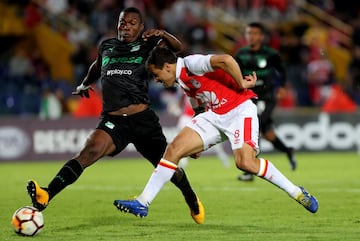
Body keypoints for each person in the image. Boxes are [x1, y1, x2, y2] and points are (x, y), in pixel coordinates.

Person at [26, 7, 204, 225]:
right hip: (113, 120)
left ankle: (190, 197)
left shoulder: (148, 46)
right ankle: (47, 194)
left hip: (142, 121)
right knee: (88, 151)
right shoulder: (107, 46)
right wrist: (84, 83)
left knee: (167, 165)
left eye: (131, 23)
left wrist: (162, 34)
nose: (125, 26)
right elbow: (98, 66)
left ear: (140, 27)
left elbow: (178, 48)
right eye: (122, 22)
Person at [113, 46, 318, 220]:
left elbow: (226, 60)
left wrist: (240, 83)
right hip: (213, 115)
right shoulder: (181, 79)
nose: (157, 80)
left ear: (167, 66)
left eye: (156, 75)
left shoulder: (192, 64)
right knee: (173, 149)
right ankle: (143, 202)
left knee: (245, 163)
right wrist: (198, 139)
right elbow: (199, 104)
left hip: (239, 110)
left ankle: (296, 192)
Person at [233, 22, 297, 181]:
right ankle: (288, 150)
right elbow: (235, 73)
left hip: (267, 96)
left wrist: (282, 87)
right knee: (267, 133)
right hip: (249, 97)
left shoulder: (271, 54)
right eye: (249, 33)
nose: (251, 36)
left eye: (255, 33)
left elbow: (281, 71)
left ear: (261, 36)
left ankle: (249, 168)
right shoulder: (241, 54)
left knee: (257, 124)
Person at [177, 93, 230, 169]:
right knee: (182, 140)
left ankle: (223, 157)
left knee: (212, 140)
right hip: (186, 117)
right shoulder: (184, 88)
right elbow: (180, 99)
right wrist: (178, 109)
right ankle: (183, 162)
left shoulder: (200, 89)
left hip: (199, 117)